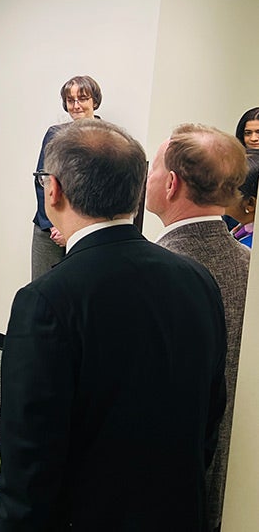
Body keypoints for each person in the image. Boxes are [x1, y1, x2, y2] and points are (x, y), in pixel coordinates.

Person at [0, 120, 227, 531]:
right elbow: (209, 418)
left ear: (53, 189)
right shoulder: (196, 278)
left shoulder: (45, 301)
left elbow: (29, 469)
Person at [146, 124, 249, 532]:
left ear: (171, 184)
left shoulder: (148, 277)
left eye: (152, 169)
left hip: (162, 486)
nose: (146, 178)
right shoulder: (247, 265)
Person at [30, 75, 102, 280]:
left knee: (79, 291)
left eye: (83, 98)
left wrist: (73, 227)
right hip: (49, 229)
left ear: (94, 101)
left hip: (87, 230)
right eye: (71, 100)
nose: (76, 105)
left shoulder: (108, 137)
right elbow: (42, 180)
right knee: (43, 289)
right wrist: (54, 225)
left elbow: (101, 188)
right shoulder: (54, 134)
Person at [225, 152, 259, 248]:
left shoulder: (251, 249)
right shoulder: (243, 227)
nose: (218, 194)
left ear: (250, 203)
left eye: (226, 190)